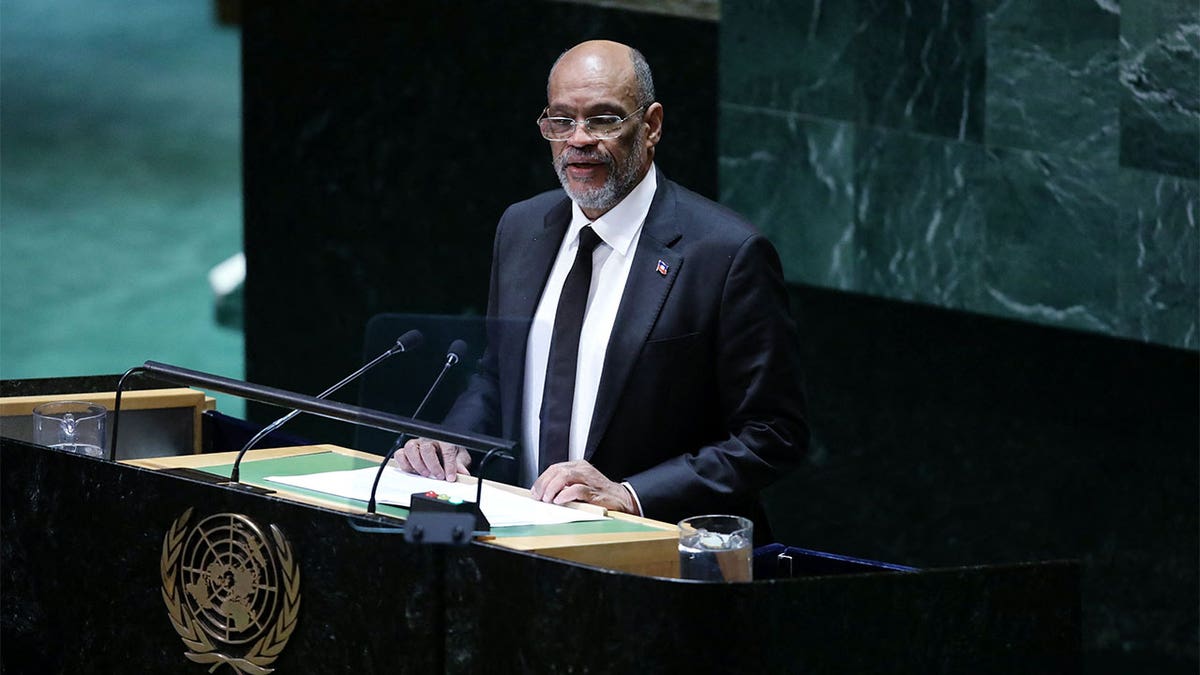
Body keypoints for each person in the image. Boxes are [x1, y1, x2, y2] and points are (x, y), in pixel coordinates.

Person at [394, 40, 807, 534]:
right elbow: (498, 376)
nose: (579, 139)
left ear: (651, 125)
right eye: (562, 121)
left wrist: (631, 495)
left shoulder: (725, 254)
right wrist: (453, 443)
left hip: (654, 559)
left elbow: (773, 434)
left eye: (604, 120)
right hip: (514, 540)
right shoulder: (522, 228)